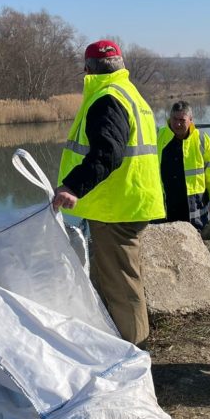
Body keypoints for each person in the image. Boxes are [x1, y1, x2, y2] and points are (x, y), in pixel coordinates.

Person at [53, 40, 165, 346]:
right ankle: (117, 348)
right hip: (129, 203)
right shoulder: (130, 94)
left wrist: (73, 186)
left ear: (87, 70)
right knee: (113, 280)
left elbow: (108, 152)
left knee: (122, 288)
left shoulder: (107, 98)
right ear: (121, 64)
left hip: (117, 208)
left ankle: (135, 355)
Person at [157, 100, 210, 230]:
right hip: (165, 208)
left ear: (190, 120)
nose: (177, 124)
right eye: (174, 119)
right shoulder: (158, 136)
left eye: (182, 120)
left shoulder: (201, 139)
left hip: (195, 210)